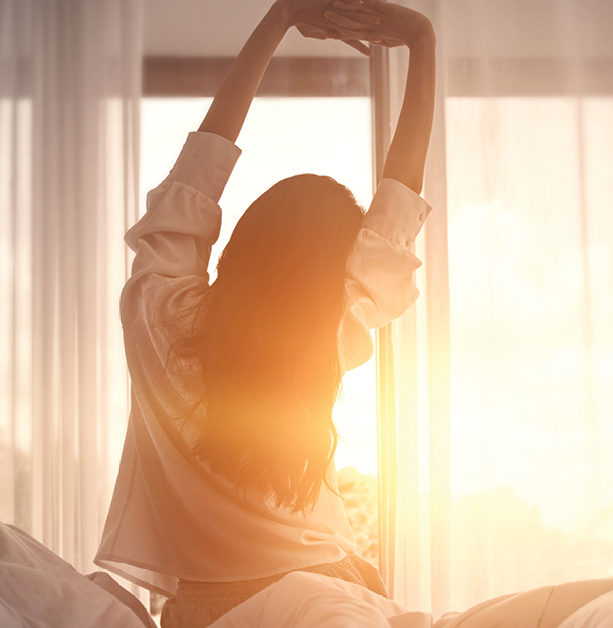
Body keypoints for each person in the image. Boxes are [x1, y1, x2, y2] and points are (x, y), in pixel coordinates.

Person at [93, 1, 436, 626]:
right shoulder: (328, 332)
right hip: (328, 588)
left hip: (202, 608)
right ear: (332, 273)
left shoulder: (156, 312)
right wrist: (421, 39)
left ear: (243, 240)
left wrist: (279, 18)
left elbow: (201, 166)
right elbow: (399, 201)